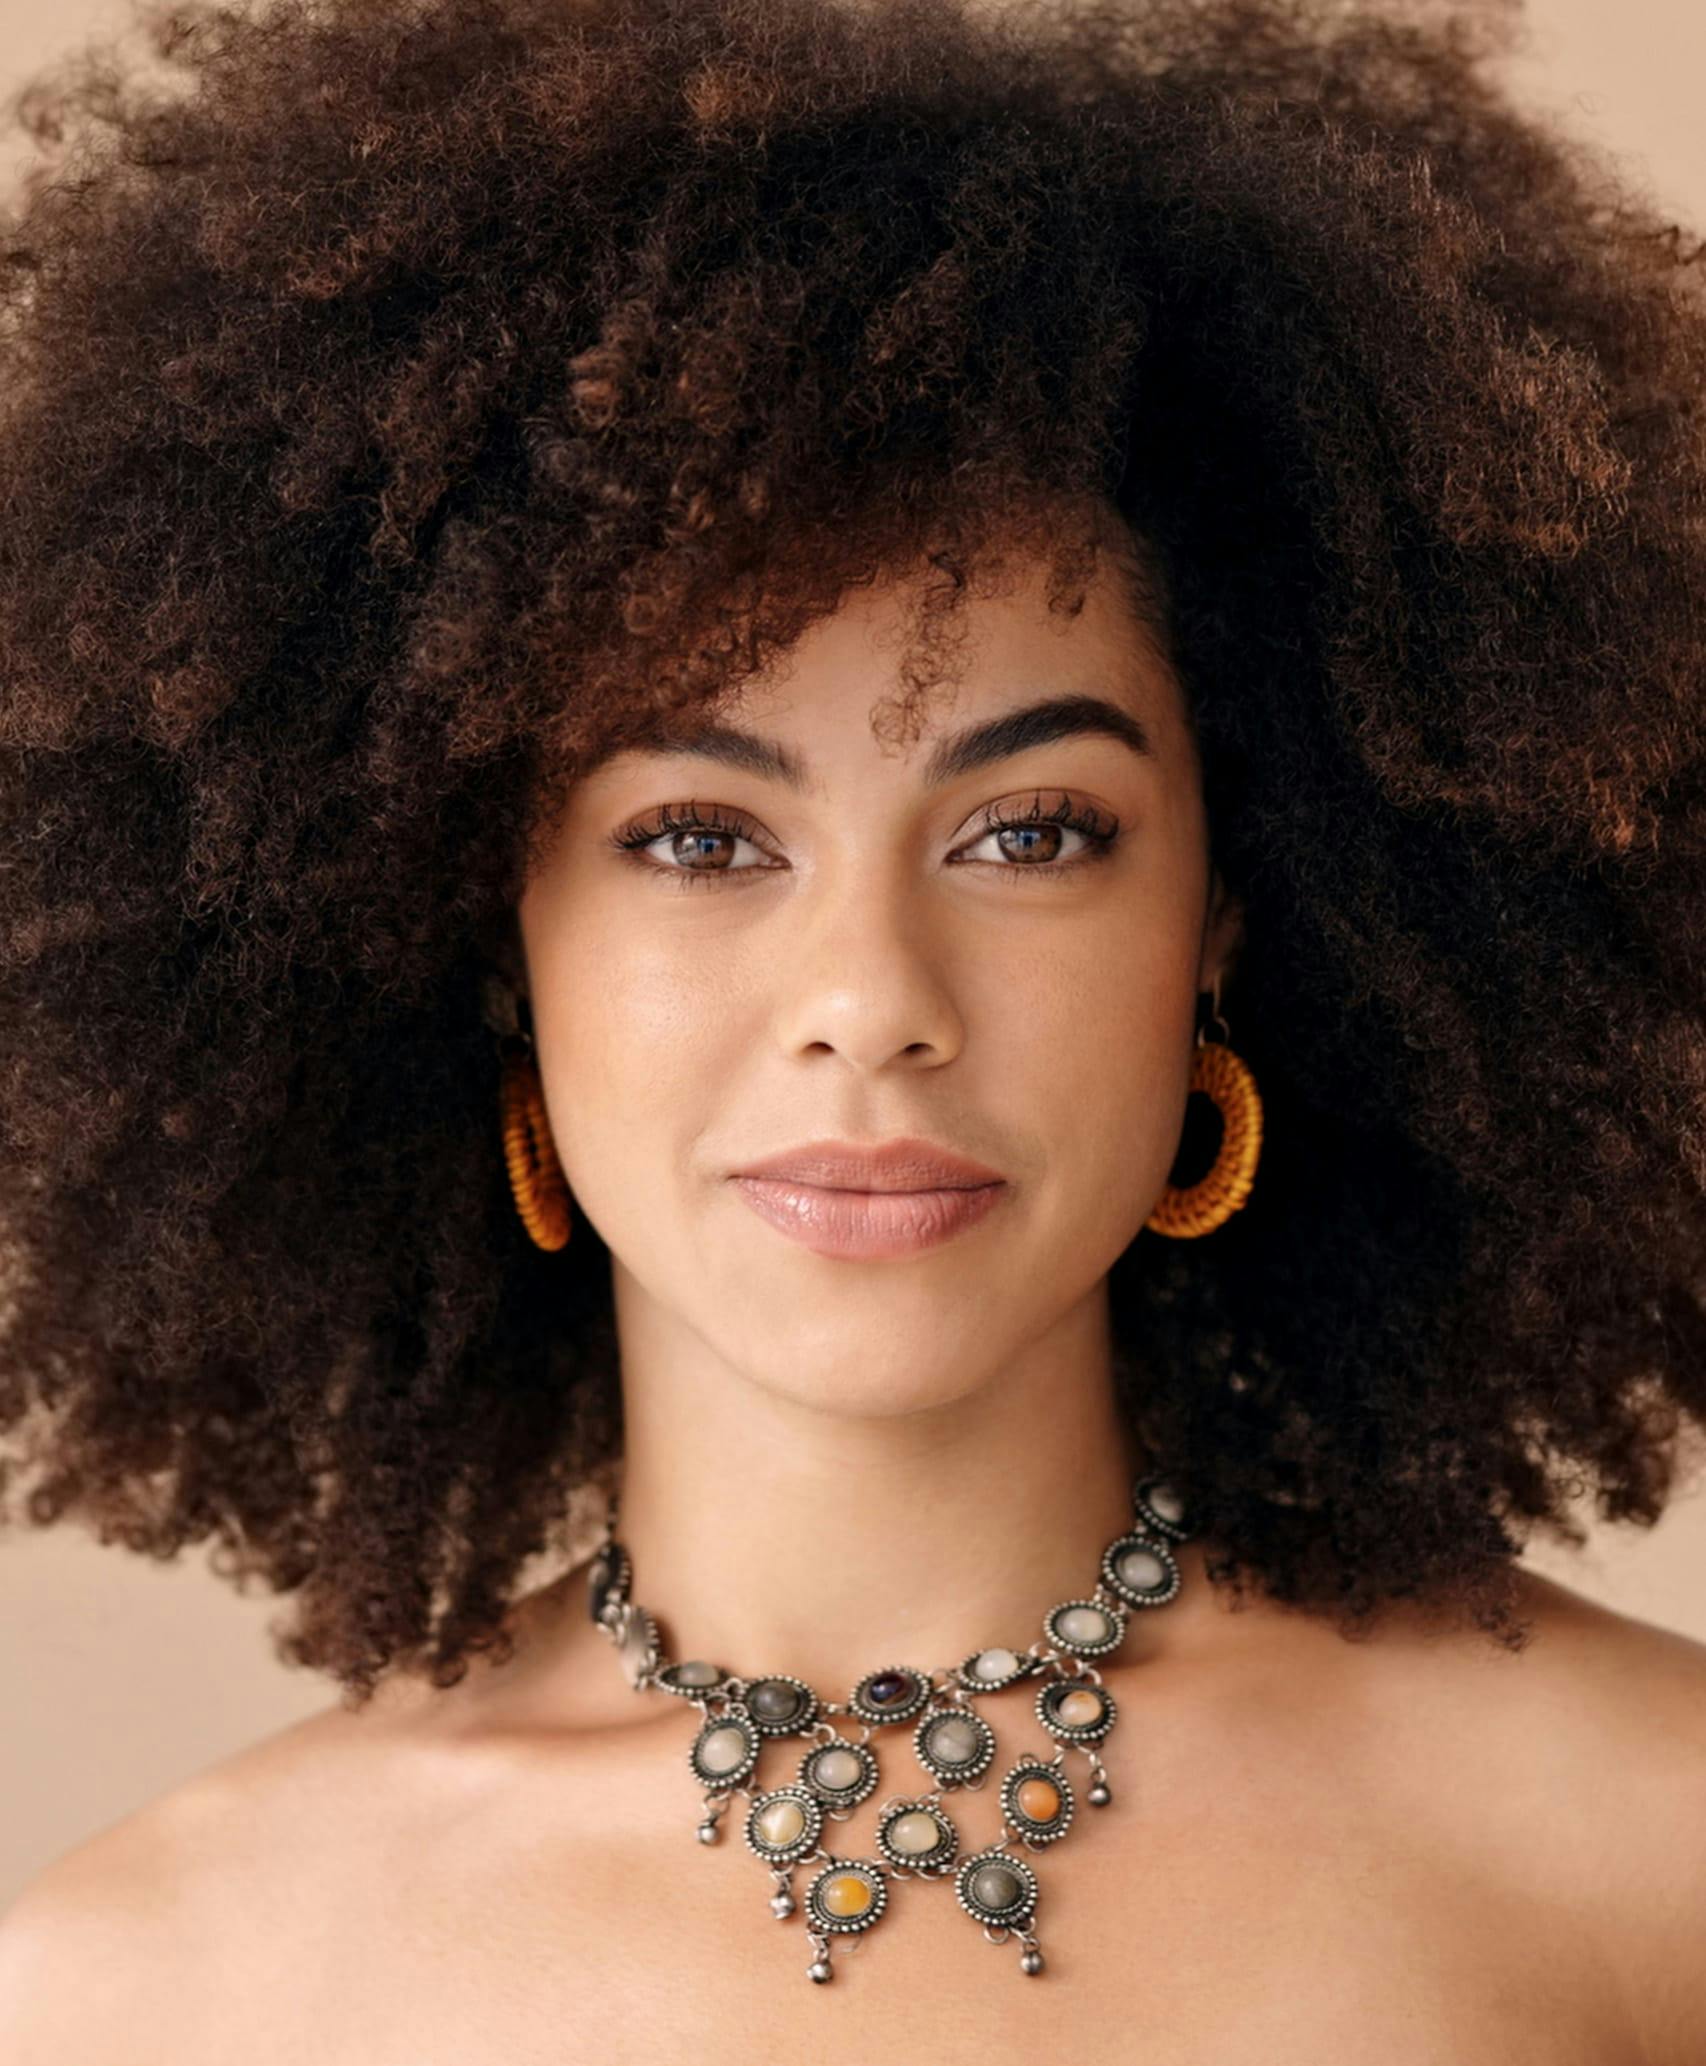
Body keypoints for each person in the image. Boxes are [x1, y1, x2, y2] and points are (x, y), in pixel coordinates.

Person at [1, 0, 1704, 2052]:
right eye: (699, 835)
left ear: (1231, 927)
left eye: (1032, 830)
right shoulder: (146, 1991)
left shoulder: (1642, 1854)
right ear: (481, 935)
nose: (870, 1008)